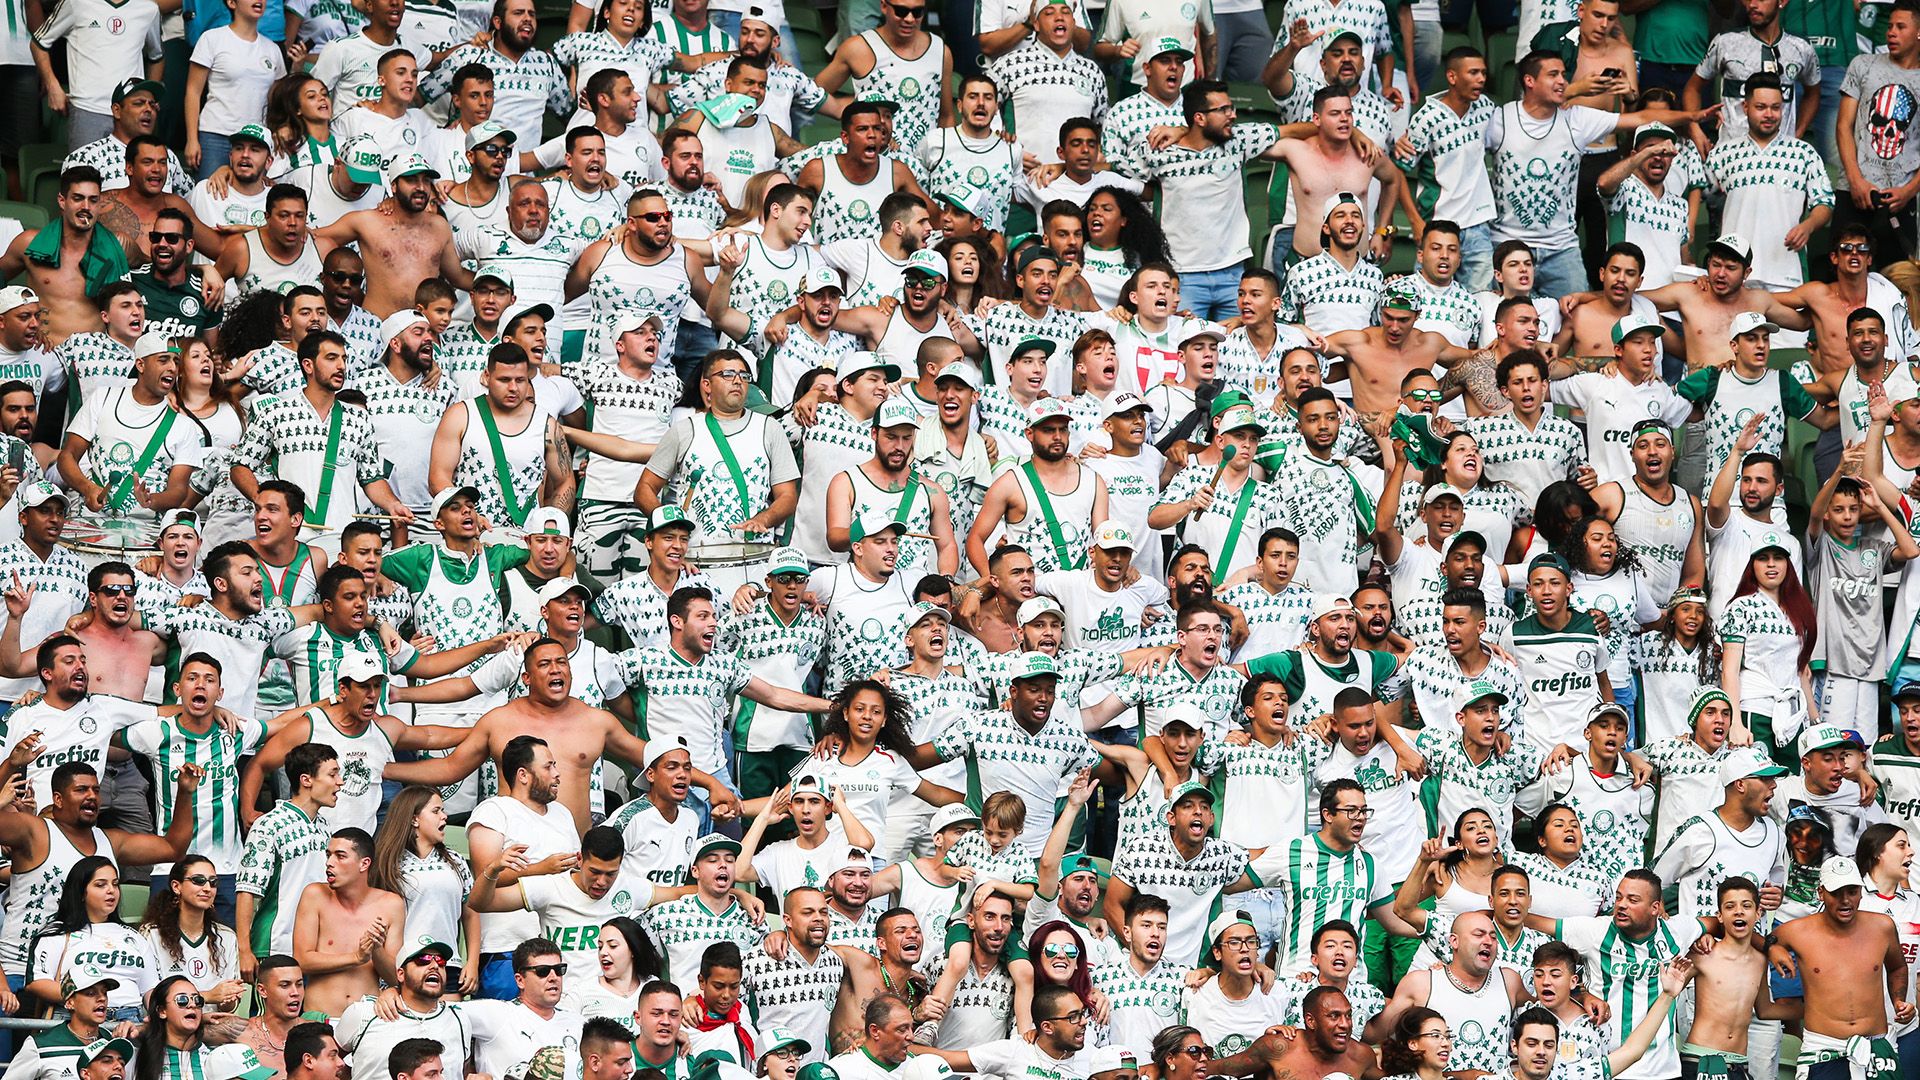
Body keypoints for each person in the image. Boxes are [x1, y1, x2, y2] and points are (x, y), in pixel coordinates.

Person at [1772, 856, 1915, 1080]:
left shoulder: (1882, 926)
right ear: (1821, 893)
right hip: (1823, 1048)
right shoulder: (1798, 931)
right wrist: (1773, 948)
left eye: (1851, 891)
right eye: (1836, 893)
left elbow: (1897, 967)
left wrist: (1898, 1000)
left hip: (1876, 1046)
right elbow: (1756, 940)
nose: (1845, 900)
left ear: (1861, 891)